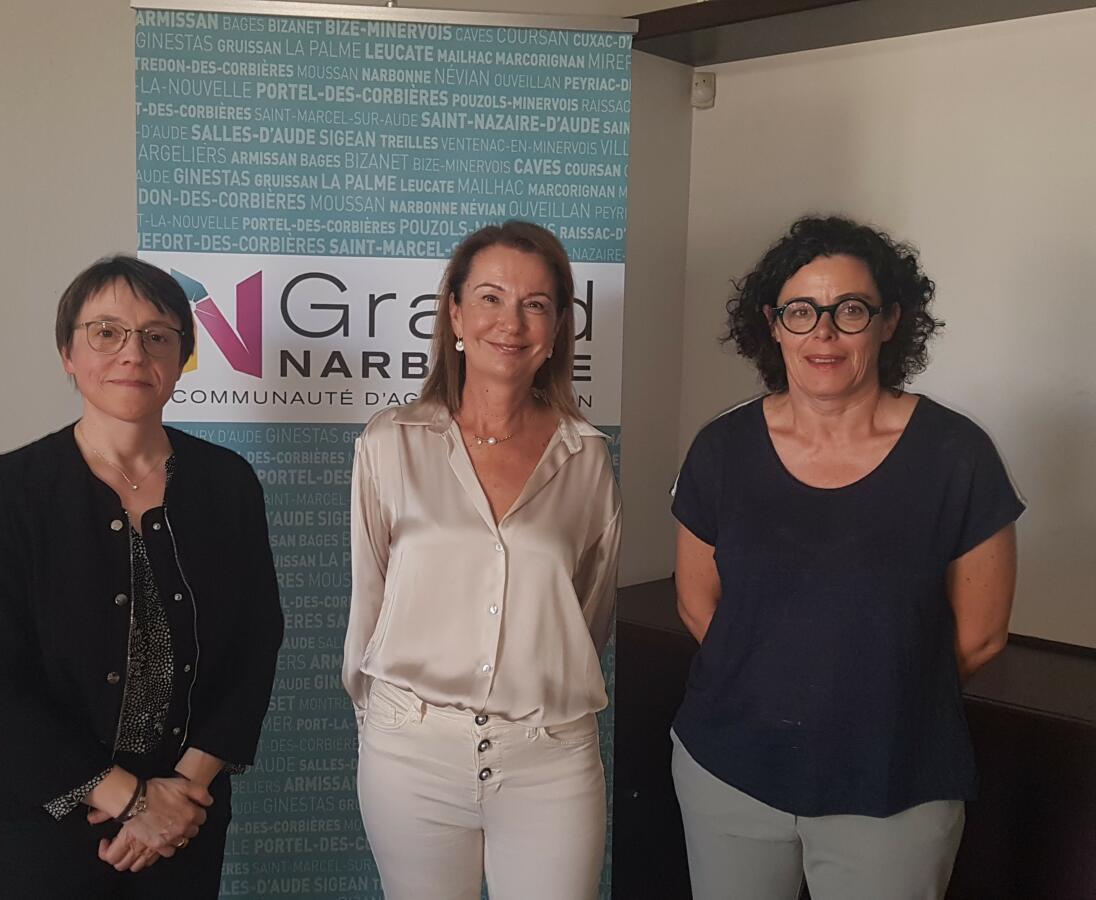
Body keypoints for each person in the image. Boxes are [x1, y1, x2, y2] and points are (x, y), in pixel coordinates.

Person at [670, 216, 1024, 900]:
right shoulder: (721, 449)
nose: (824, 333)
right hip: (730, 773)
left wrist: (872, 697)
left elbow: (982, 633)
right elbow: (695, 601)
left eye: (849, 310)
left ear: (890, 321)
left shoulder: (957, 455)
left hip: (895, 783)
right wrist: (770, 685)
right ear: (773, 325)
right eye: (801, 312)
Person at [0, 255, 283, 899]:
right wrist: (130, 801)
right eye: (106, 332)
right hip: (39, 824)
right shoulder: (6, 490)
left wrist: (182, 795)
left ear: (181, 357)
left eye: (158, 335)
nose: (133, 353)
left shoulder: (229, 484)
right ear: (67, 354)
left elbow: (254, 646)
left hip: (187, 817)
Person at [342, 221, 621, 900]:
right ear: (455, 313)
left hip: (550, 756)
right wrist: (380, 721)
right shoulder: (391, 443)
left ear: (556, 330)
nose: (513, 321)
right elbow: (371, 595)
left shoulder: (586, 457)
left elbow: (589, 609)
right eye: (491, 298)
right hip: (410, 753)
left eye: (535, 304)